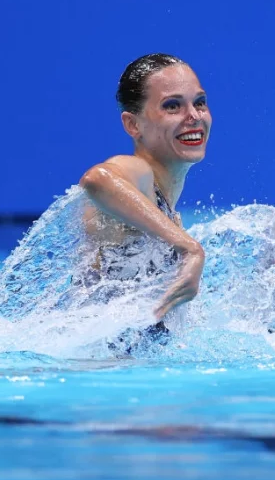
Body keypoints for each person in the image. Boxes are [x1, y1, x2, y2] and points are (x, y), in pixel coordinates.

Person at [78, 53, 210, 349]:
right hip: (100, 371)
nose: (194, 116)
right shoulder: (139, 175)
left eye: (199, 102)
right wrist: (190, 248)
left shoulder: (163, 213)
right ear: (133, 124)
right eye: (172, 106)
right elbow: (97, 179)